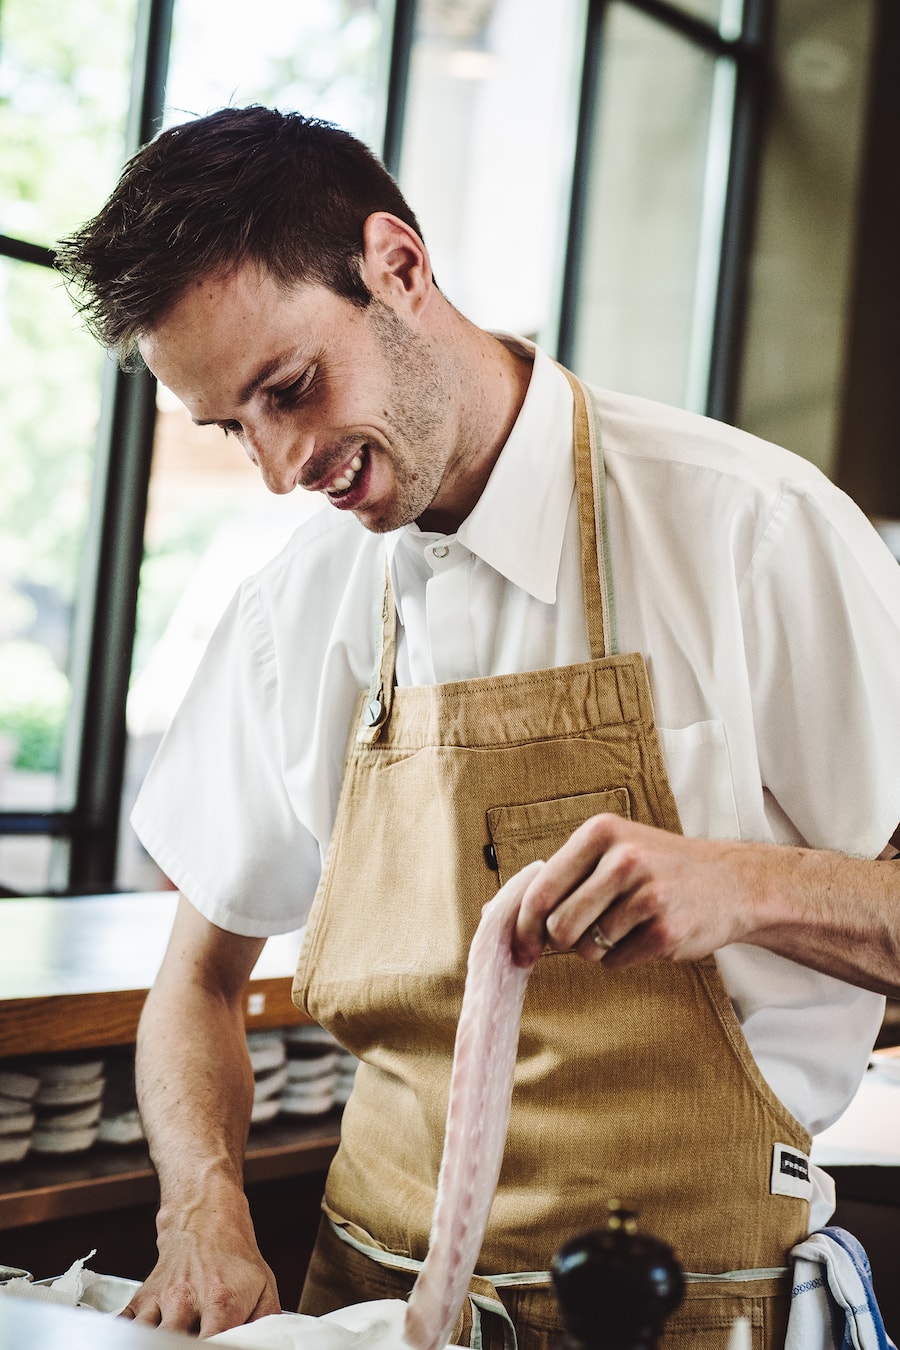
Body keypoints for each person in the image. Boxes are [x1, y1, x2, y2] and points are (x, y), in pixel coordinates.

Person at [56, 105, 900, 1349]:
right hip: (367, 1305)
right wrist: (204, 1209)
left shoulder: (751, 531)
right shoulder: (298, 612)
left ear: (399, 266)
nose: (284, 468)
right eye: (235, 426)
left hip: (687, 1309)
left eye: (290, 388)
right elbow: (199, 980)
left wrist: (748, 887)